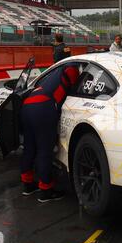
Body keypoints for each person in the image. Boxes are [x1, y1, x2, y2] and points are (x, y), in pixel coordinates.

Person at [20, 64, 80, 202]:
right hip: (43, 107)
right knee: (44, 151)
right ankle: (46, 190)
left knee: (29, 148)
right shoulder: (72, 68)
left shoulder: (54, 72)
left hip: (27, 106)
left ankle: (28, 184)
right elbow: (75, 86)